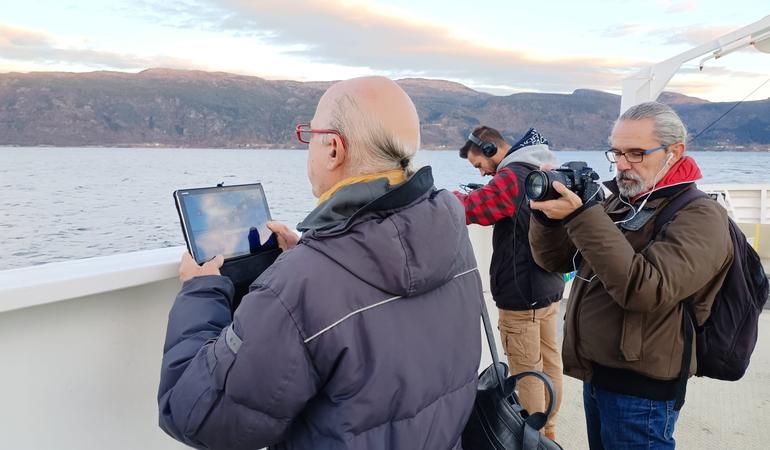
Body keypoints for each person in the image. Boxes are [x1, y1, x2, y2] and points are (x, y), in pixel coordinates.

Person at [157, 76, 483, 450]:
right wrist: (308, 257)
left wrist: (200, 291)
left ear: (333, 149)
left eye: (309, 135)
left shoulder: (301, 285)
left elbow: (195, 416)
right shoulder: (450, 232)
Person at [529, 101, 733, 449]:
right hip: (599, 374)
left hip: (642, 391)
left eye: (636, 153)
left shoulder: (701, 215)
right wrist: (547, 218)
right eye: (617, 152)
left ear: (674, 152)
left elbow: (646, 290)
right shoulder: (622, 202)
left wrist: (582, 216)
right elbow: (555, 260)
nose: (622, 164)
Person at [454, 126, 564, 440]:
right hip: (548, 288)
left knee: (527, 372)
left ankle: (534, 440)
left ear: (491, 149)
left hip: (521, 294)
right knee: (550, 365)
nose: (482, 172)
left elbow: (472, 209)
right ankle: (550, 433)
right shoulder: (538, 170)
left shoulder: (511, 176)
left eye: (479, 164)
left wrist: (442, 199)